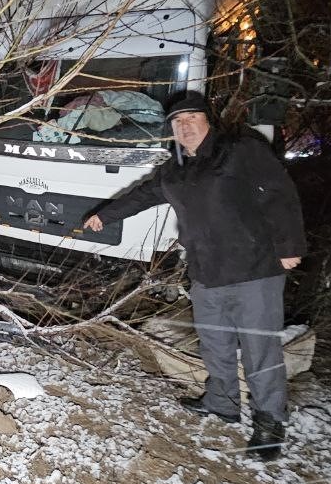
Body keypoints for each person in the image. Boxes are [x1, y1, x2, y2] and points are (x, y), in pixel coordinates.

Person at [82, 89, 307, 461]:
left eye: (192, 118)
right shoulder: (176, 170)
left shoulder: (239, 152)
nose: (185, 126)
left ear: (207, 120)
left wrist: (289, 246)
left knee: (259, 349)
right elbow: (142, 195)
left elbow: (280, 193)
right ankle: (222, 403)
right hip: (205, 270)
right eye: (177, 121)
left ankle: (269, 422)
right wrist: (105, 215)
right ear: (170, 129)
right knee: (214, 343)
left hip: (253, 269)